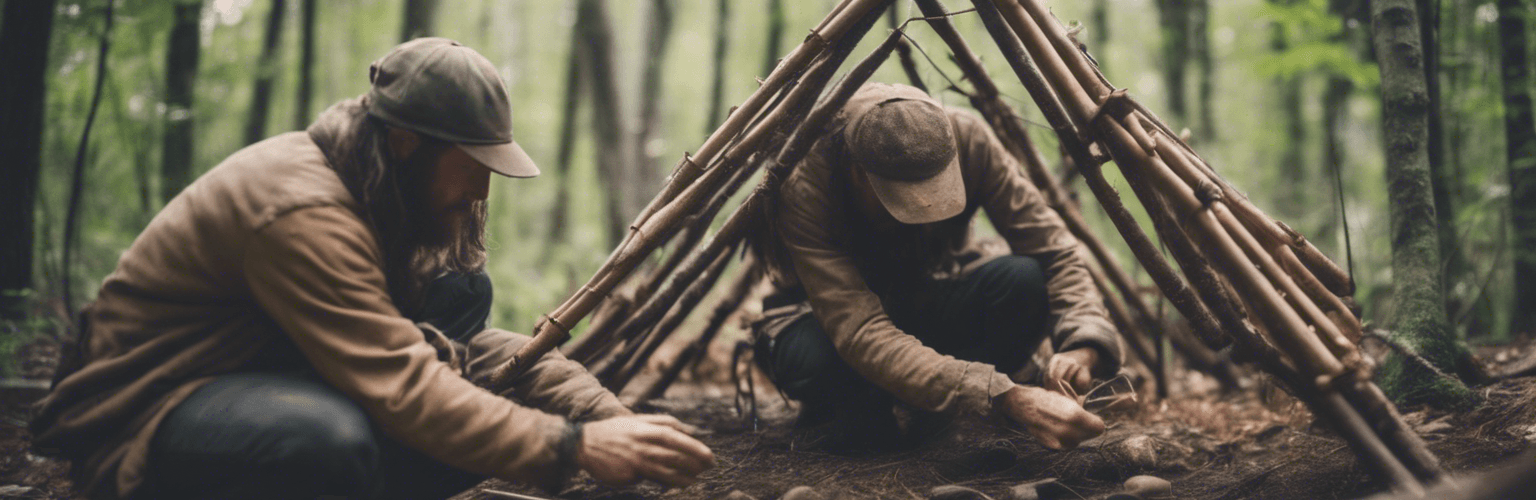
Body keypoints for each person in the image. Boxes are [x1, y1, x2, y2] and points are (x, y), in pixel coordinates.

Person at [30, 38, 713, 500]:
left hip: (264, 370)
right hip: (148, 409)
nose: (481, 192)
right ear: (408, 141)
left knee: (464, 301)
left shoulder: (379, 192)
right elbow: (401, 383)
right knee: (326, 446)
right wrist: (573, 447)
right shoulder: (303, 210)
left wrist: (608, 417)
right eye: (472, 167)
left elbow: (473, 351)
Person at [752, 83, 1119, 450]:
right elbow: (860, 331)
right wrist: (999, 393)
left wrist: (1083, 343)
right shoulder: (806, 187)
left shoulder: (969, 141)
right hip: (830, 328)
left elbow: (1054, 250)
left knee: (1022, 280)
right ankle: (855, 410)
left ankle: (940, 404)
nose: (921, 213)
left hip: (924, 301)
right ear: (857, 172)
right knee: (823, 372)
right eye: (898, 202)